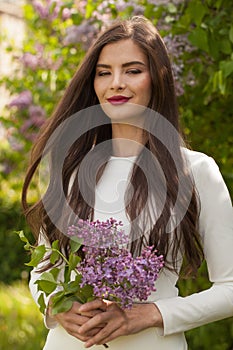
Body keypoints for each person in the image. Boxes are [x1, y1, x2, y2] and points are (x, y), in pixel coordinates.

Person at [22, 16, 233, 350]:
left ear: (158, 79)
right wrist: (58, 309)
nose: (115, 83)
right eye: (104, 72)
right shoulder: (73, 170)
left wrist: (149, 314)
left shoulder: (195, 171)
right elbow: (43, 273)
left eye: (133, 70)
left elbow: (230, 289)